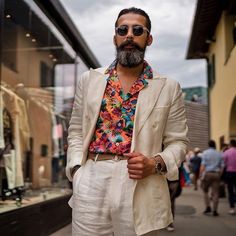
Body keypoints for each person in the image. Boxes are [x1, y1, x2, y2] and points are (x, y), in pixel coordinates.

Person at [66, 7, 188, 236]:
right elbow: (75, 130)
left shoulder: (169, 87)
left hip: (139, 183)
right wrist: (77, 170)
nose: (129, 35)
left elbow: (179, 142)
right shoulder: (89, 80)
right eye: (123, 29)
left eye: (138, 30)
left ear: (148, 38)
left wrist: (156, 163)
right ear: (115, 37)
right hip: (92, 179)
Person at [200, 140, 224, 216]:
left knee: (205, 190)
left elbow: (203, 165)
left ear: (208, 145)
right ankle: (215, 210)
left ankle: (208, 207)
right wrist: (220, 174)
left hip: (208, 174)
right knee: (216, 193)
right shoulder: (219, 153)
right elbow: (222, 166)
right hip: (216, 174)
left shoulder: (205, 153)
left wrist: (201, 175)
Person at [223, 139, 236, 215]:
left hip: (229, 173)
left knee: (230, 191)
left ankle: (232, 208)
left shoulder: (227, 152)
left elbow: (223, 163)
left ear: (230, 144)